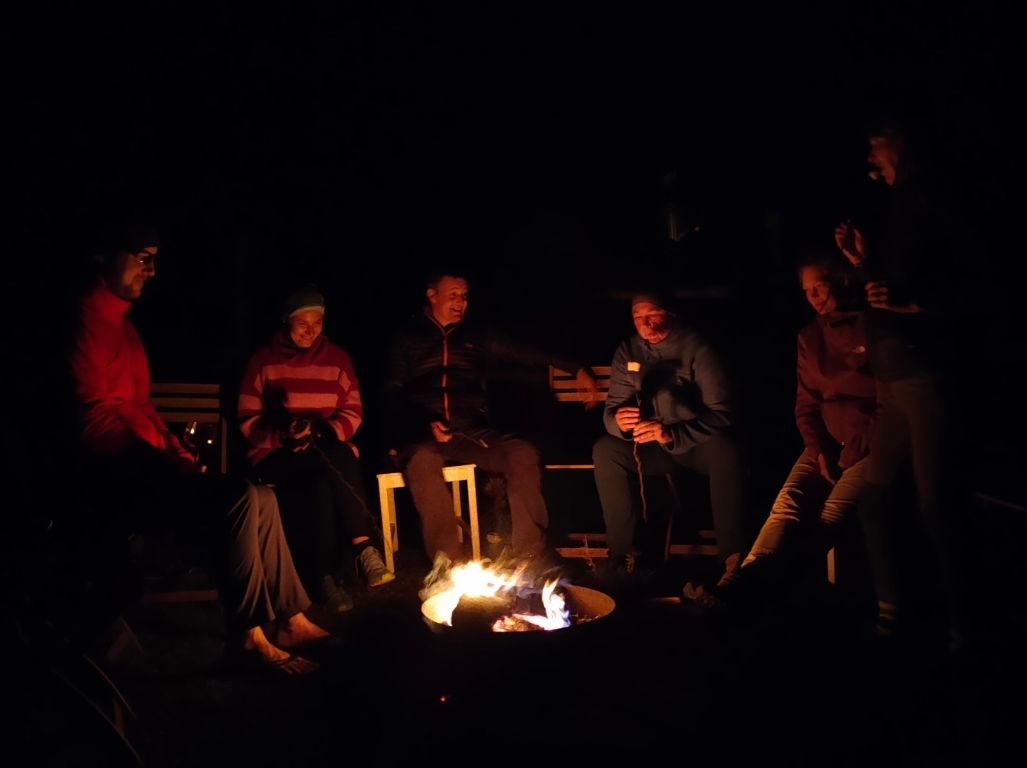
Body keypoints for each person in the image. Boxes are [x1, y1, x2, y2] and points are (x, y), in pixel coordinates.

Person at [71, 222, 330, 675]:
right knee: (240, 497)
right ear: (104, 256)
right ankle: (248, 637)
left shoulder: (123, 328)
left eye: (155, 259)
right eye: (142, 257)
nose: (151, 270)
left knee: (261, 495)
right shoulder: (82, 326)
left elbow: (141, 408)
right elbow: (96, 425)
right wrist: (162, 463)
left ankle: (292, 620)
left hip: (151, 467)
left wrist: (178, 452)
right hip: (115, 479)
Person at [834, 115, 970, 649]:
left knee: (937, 506)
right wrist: (863, 262)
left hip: (924, 379)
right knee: (875, 498)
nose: (870, 151)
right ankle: (893, 609)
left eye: (878, 140)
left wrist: (916, 302)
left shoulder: (937, 205)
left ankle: (964, 622)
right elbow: (889, 291)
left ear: (906, 143)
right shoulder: (900, 212)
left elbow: (971, 289)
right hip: (893, 384)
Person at [684, 253, 877, 608]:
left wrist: (851, 452)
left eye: (820, 285)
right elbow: (806, 404)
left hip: (870, 445)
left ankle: (755, 590)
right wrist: (818, 449)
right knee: (787, 504)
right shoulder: (810, 337)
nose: (814, 296)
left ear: (840, 280)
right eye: (807, 291)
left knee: (829, 516)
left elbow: (887, 402)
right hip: (826, 442)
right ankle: (736, 582)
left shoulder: (873, 326)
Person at [384, 269, 599, 564]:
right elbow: (392, 392)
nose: (461, 301)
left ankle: (528, 555)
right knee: (423, 463)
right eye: (453, 295)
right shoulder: (407, 337)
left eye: (464, 295)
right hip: (422, 434)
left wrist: (576, 369)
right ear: (432, 295)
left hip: (469, 431)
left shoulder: (476, 336)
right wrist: (422, 422)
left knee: (522, 453)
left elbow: (527, 354)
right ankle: (448, 561)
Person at [238, 285, 394, 616]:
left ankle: (328, 575)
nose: (310, 331)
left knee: (326, 475)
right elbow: (247, 420)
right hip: (277, 453)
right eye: (302, 324)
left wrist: (323, 430)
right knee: (333, 461)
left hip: (324, 448)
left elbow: (353, 410)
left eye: (317, 323)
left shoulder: (338, 359)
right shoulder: (264, 361)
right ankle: (358, 552)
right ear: (286, 321)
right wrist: (285, 434)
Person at [594, 289, 747, 582]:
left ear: (671, 314)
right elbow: (611, 410)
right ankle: (622, 555)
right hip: (653, 448)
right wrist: (619, 422)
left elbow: (722, 413)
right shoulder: (629, 350)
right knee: (606, 450)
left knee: (726, 452)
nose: (645, 324)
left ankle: (732, 557)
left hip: (696, 445)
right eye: (638, 317)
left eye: (653, 315)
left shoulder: (697, 348)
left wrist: (672, 433)